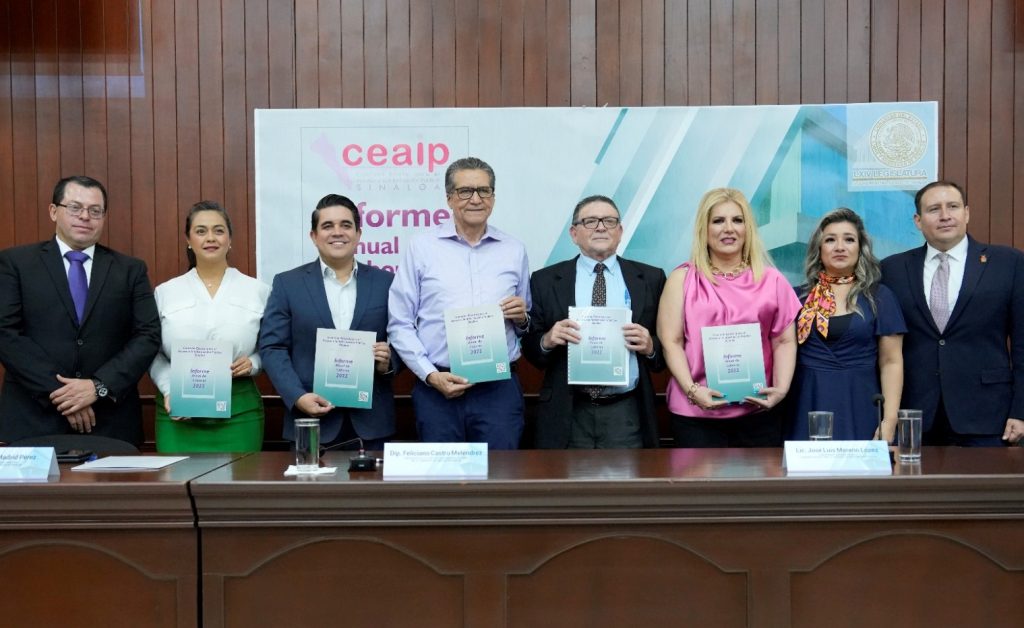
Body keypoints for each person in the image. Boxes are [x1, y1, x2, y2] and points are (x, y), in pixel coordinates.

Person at [0, 175, 161, 446]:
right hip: (34, 419)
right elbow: (5, 334)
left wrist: (97, 387)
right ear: (54, 211)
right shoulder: (15, 264)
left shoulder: (130, 270)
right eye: (75, 208)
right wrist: (63, 393)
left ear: (103, 217)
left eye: (95, 211)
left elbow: (148, 335)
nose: (85, 216)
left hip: (110, 421)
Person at [388, 157, 531, 449]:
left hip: (498, 392)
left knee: (502, 473)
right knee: (442, 477)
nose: (476, 199)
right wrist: (430, 375)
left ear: (493, 197)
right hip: (438, 388)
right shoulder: (421, 247)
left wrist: (522, 318)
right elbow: (400, 323)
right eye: (465, 191)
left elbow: (525, 322)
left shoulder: (514, 250)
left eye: (484, 190)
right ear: (449, 198)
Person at [881, 181, 1024, 446]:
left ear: (966, 213)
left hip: (988, 416)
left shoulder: (1009, 263)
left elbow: (1022, 344)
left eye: (953, 207)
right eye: (934, 209)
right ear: (918, 221)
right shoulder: (892, 269)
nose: (945, 215)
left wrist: (1021, 410)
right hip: (915, 416)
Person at [656, 187, 801, 447]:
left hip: (758, 412)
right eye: (718, 221)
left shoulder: (772, 280)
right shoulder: (682, 279)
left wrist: (781, 389)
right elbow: (671, 342)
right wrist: (692, 390)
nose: (729, 229)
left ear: (748, 228)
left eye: (737, 220)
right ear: (704, 229)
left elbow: (784, 341)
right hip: (695, 414)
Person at [522, 195, 666, 448]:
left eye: (609, 221)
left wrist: (651, 346)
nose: (601, 227)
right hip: (568, 410)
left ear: (620, 231)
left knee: (630, 475)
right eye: (590, 221)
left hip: (626, 412)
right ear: (574, 233)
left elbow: (670, 345)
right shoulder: (545, 280)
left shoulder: (651, 279)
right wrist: (546, 340)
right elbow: (529, 345)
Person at [259, 194, 396, 451]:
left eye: (346, 225)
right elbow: (272, 347)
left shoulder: (386, 283)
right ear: (313, 236)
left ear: (358, 234)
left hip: (372, 423)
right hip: (311, 421)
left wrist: (389, 362)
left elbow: (403, 338)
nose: (337, 232)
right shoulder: (288, 284)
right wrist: (297, 396)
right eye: (327, 226)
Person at [148, 201, 270, 452]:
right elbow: (151, 352)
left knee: (242, 478)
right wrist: (169, 389)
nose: (211, 238)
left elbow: (273, 346)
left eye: (219, 230)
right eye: (201, 231)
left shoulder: (258, 291)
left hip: (240, 411)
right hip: (177, 411)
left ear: (230, 239)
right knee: (176, 477)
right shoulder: (166, 292)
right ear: (188, 240)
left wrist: (254, 363)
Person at [787, 208, 905, 442]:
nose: (840, 247)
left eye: (849, 239)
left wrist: (890, 420)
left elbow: (891, 362)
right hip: (806, 404)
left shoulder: (880, 296)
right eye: (830, 240)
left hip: (860, 406)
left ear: (860, 248)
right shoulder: (795, 297)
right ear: (818, 249)